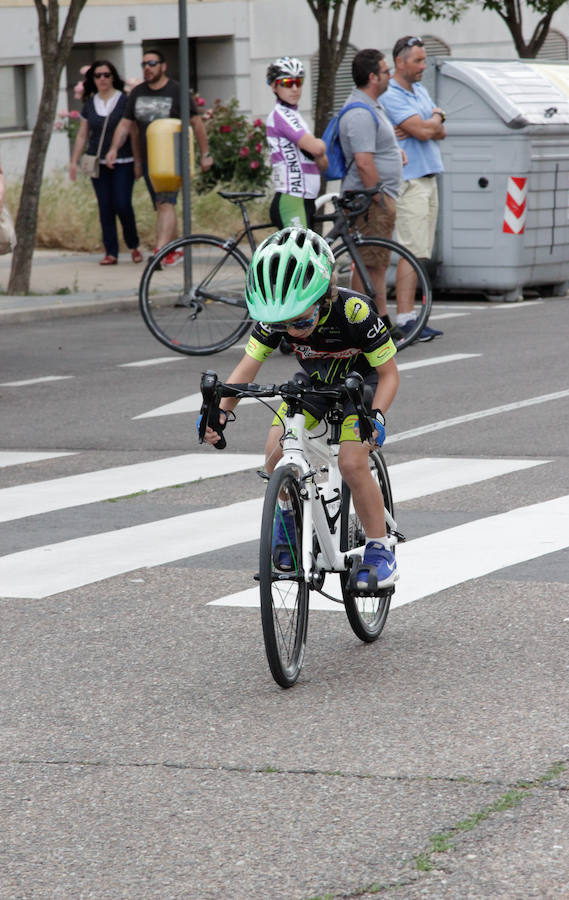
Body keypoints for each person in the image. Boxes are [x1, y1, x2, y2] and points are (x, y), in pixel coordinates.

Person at [200, 226, 400, 589]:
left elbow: (389, 376)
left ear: (324, 298)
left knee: (352, 462)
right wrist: (222, 410)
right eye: (282, 326)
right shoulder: (277, 317)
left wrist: (378, 417)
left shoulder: (355, 313)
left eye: (302, 322)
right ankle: (290, 524)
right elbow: (245, 371)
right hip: (316, 385)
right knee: (274, 451)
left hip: (360, 388)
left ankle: (380, 548)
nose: (292, 332)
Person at [104, 48, 213, 265]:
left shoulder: (177, 91)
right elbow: (125, 124)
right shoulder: (137, 93)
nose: (147, 68)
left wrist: (205, 154)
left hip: (172, 157)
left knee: (165, 202)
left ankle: (161, 251)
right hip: (149, 160)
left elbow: (197, 124)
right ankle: (175, 249)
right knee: (163, 205)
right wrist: (113, 149)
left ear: (163, 66)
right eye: (144, 64)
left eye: (152, 63)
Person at [380, 36, 445, 342]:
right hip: (410, 179)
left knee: (421, 251)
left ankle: (411, 317)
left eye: (424, 59)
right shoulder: (391, 94)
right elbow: (422, 130)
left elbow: (438, 131)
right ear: (400, 63)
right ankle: (405, 318)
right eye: (418, 61)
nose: (423, 66)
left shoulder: (418, 89)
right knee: (409, 249)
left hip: (429, 176)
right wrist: (433, 119)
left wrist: (434, 120)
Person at [338, 48, 405, 337]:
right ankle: (359, 324)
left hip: (375, 198)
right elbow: (364, 163)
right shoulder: (359, 112)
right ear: (372, 77)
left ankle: (380, 319)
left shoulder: (372, 106)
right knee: (367, 260)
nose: (390, 75)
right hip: (368, 201)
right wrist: (380, 197)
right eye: (386, 71)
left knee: (376, 261)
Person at [69, 60, 143, 266]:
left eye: (106, 75)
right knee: (105, 207)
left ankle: (133, 244)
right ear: (92, 80)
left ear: (113, 77)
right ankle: (111, 252)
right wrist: (74, 161)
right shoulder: (89, 104)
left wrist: (138, 162)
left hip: (124, 161)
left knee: (122, 203)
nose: (102, 79)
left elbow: (134, 132)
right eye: (98, 76)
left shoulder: (125, 101)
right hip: (97, 162)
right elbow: (83, 135)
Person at [266, 57, 328, 229]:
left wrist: (318, 151)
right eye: (287, 82)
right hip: (292, 197)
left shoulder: (295, 116)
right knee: (302, 254)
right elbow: (317, 149)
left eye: (298, 82)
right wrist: (320, 147)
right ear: (274, 86)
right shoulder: (281, 115)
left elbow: (323, 163)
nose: (294, 88)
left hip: (305, 197)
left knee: (310, 255)